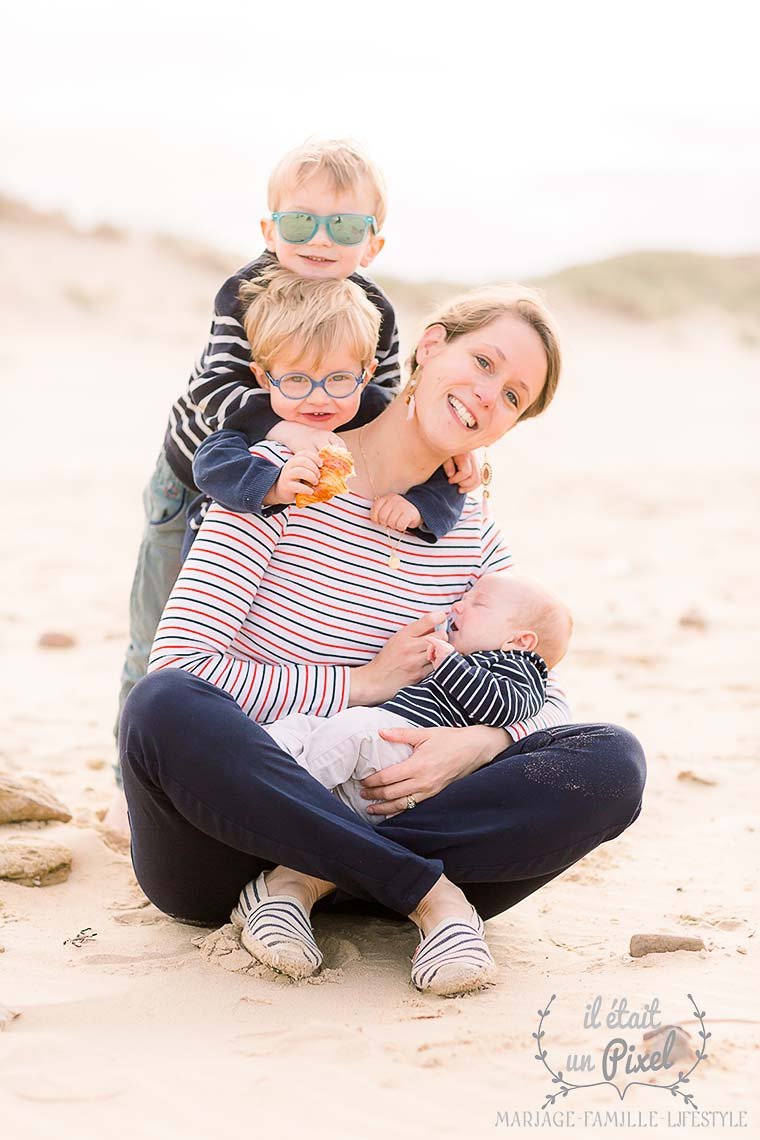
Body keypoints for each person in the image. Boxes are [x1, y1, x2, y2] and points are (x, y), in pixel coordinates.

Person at [120, 284, 646, 998]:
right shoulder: (279, 482)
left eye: (514, 396)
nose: (489, 395)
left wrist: (484, 743)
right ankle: (427, 897)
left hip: (398, 812)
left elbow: (540, 692)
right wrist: (359, 684)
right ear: (431, 348)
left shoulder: (469, 537)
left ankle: (306, 883)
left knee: (614, 762)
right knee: (162, 707)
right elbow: (183, 666)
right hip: (232, 842)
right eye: (484, 362)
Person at [115, 138, 473, 752]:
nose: (321, 239)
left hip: (295, 482)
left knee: (253, 631)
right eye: (301, 221)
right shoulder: (245, 294)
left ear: (373, 243)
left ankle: (250, 752)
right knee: (160, 632)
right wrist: (295, 429)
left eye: (344, 226)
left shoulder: (375, 313)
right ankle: (134, 773)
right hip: (193, 474)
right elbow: (213, 389)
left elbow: (385, 403)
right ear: (270, 227)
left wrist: (447, 447)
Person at [264, 574, 572, 825]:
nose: (459, 606)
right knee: (303, 725)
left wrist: (451, 664)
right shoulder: (472, 656)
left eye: (477, 603)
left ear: (519, 641)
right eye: (464, 598)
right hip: (386, 742)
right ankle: (257, 762)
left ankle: (279, 793)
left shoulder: (520, 669)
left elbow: (502, 708)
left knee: (354, 731)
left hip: (414, 749)